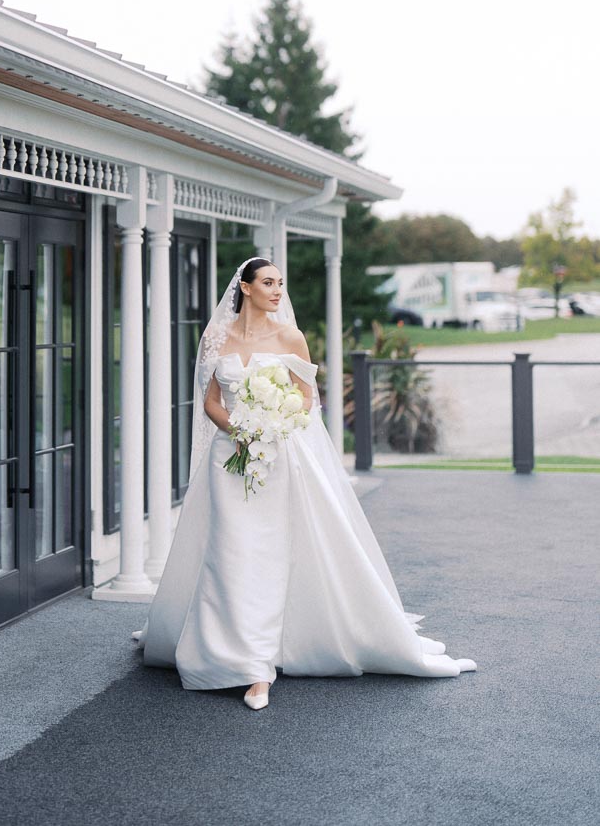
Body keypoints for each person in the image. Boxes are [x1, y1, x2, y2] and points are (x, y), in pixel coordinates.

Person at [133, 257, 476, 710]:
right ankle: (245, 660)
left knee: (274, 551)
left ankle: (267, 659)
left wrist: (271, 422)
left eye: (280, 283)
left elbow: (306, 399)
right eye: (269, 283)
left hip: (281, 456)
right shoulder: (217, 337)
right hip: (230, 457)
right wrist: (240, 428)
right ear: (247, 288)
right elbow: (211, 400)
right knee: (230, 550)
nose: (278, 291)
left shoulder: (290, 336)